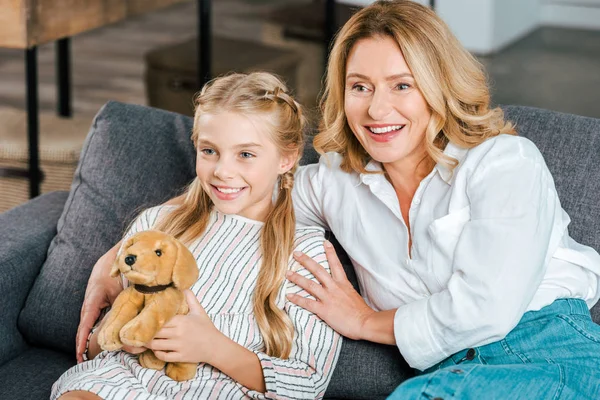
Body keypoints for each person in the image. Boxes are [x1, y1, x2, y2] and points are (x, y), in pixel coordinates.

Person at [78, 1, 600, 398]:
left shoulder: (505, 162)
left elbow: (488, 309)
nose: (377, 109)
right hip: (446, 372)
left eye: (402, 85)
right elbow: (243, 191)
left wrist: (365, 322)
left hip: (544, 343)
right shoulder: (333, 182)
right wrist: (114, 258)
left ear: (439, 86)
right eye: (360, 86)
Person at [52, 72, 342, 400]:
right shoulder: (157, 225)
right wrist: (124, 336)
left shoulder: (306, 252)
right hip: (121, 383)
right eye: (209, 151)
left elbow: (309, 383)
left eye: (245, 154)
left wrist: (212, 347)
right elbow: (94, 352)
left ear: (287, 158)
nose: (222, 170)